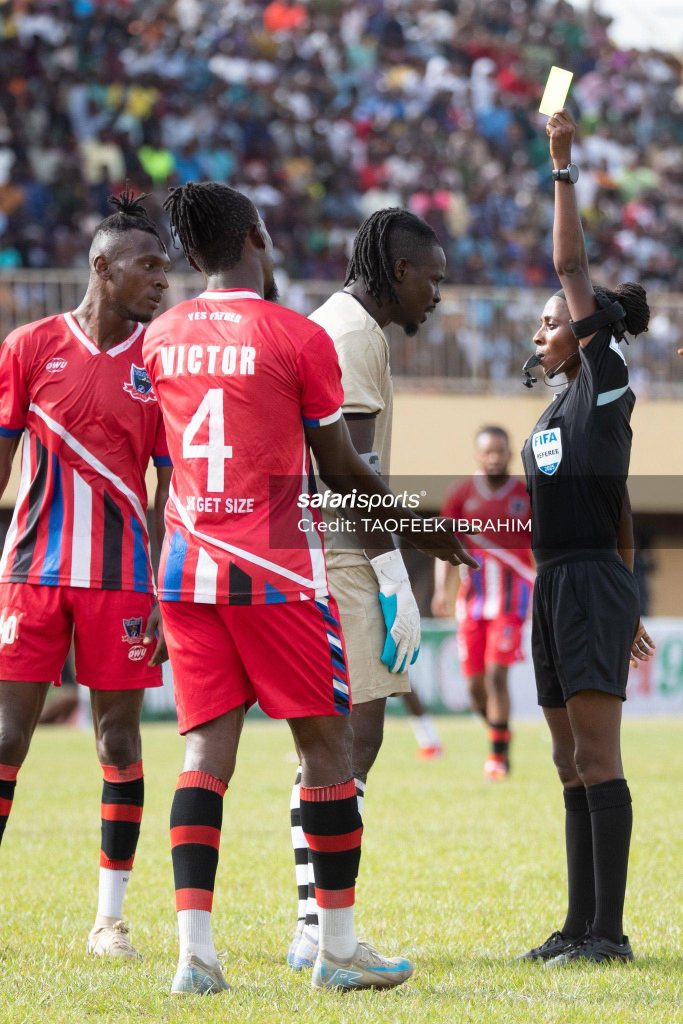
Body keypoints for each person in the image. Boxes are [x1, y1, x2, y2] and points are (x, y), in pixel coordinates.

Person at [141, 181, 476, 995]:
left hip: (187, 569)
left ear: (190, 254)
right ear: (258, 233)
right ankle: (337, 946)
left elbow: (164, 465)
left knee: (202, 757)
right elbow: (342, 468)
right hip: (277, 572)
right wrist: (424, 532)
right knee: (327, 752)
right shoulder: (298, 337)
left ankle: (195, 955)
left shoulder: (161, 335)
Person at [0, 192, 172, 958]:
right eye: (149, 267)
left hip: (124, 578)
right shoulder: (29, 346)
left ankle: (110, 918)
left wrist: (166, 587)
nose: (161, 282)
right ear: (102, 267)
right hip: (32, 569)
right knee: (6, 734)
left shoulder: (158, 364)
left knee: (120, 744)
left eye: (166, 268)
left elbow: (170, 489)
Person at [287, 208, 448, 970]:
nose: (437, 297)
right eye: (432, 279)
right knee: (354, 741)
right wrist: (395, 570)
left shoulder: (343, 324)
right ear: (397, 270)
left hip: (323, 546)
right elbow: (347, 473)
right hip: (341, 552)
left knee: (330, 746)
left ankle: (312, 924)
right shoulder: (352, 334)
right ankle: (323, 932)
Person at [517, 110, 654, 965]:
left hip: (588, 585)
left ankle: (609, 935)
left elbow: (569, 264)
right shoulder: (552, 406)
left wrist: (560, 163)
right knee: (569, 763)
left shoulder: (603, 381)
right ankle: (576, 928)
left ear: (586, 329)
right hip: (557, 585)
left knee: (598, 760)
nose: (540, 334)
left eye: (550, 322)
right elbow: (622, 507)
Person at [432, 426, 534, 780]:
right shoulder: (461, 494)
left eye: (499, 452)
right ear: (478, 455)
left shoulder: (525, 495)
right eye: (487, 452)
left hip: (512, 600)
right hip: (472, 602)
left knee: (496, 675)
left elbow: (541, 546)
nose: (493, 458)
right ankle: (500, 731)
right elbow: (445, 544)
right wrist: (440, 591)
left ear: (508, 454)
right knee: (475, 688)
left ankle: (498, 758)